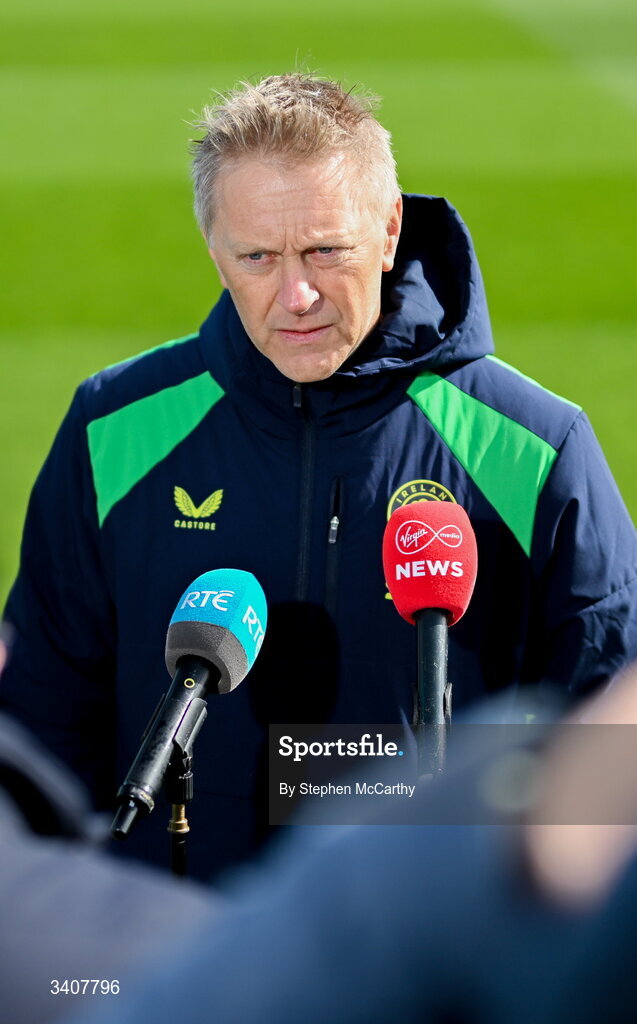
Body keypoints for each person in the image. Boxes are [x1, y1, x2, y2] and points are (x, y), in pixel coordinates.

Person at [2, 73, 637, 880]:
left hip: (424, 969)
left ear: (388, 229)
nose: (295, 295)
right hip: (180, 960)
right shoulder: (112, 429)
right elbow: (42, 727)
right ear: (214, 249)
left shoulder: (534, 448)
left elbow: (611, 748)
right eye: (257, 256)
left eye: (324, 250)